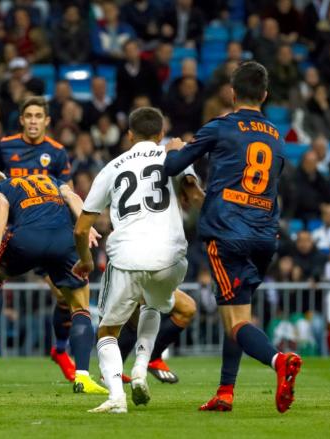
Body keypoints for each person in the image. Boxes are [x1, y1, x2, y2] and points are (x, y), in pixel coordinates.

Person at [163, 61, 302, 413]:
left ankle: (278, 361)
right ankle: (225, 392)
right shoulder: (276, 136)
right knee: (238, 312)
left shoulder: (222, 127)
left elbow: (174, 168)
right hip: (264, 235)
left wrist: (173, 149)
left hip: (227, 232)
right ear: (266, 96)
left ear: (232, 93)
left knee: (236, 321)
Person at [72, 107, 202, 414]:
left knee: (107, 331)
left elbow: (81, 228)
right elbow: (195, 197)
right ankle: (142, 369)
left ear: (129, 135)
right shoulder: (176, 156)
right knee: (153, 307)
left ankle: (116, 396)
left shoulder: (113, 166)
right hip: (172, 257)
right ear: (160, 134)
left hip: (128, 255)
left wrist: (87, 260)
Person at [0, 96, 98, 380]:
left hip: (51, 227)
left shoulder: (58, 152)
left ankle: (60, 349)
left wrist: (81, 226)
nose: (33, 121)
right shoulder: (5, 146)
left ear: (47, 120)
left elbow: (69, 190)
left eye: (38, 116)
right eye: (28, 115)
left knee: (63, 297)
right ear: (21, 119)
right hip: (15, 227)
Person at [0, 166, 107, 394]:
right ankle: (82, 376)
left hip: (28, 239)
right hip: (65, 240)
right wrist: (87, 226)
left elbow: (1, 204)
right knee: (80, 307)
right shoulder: (49, 178)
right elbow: (72, 196)